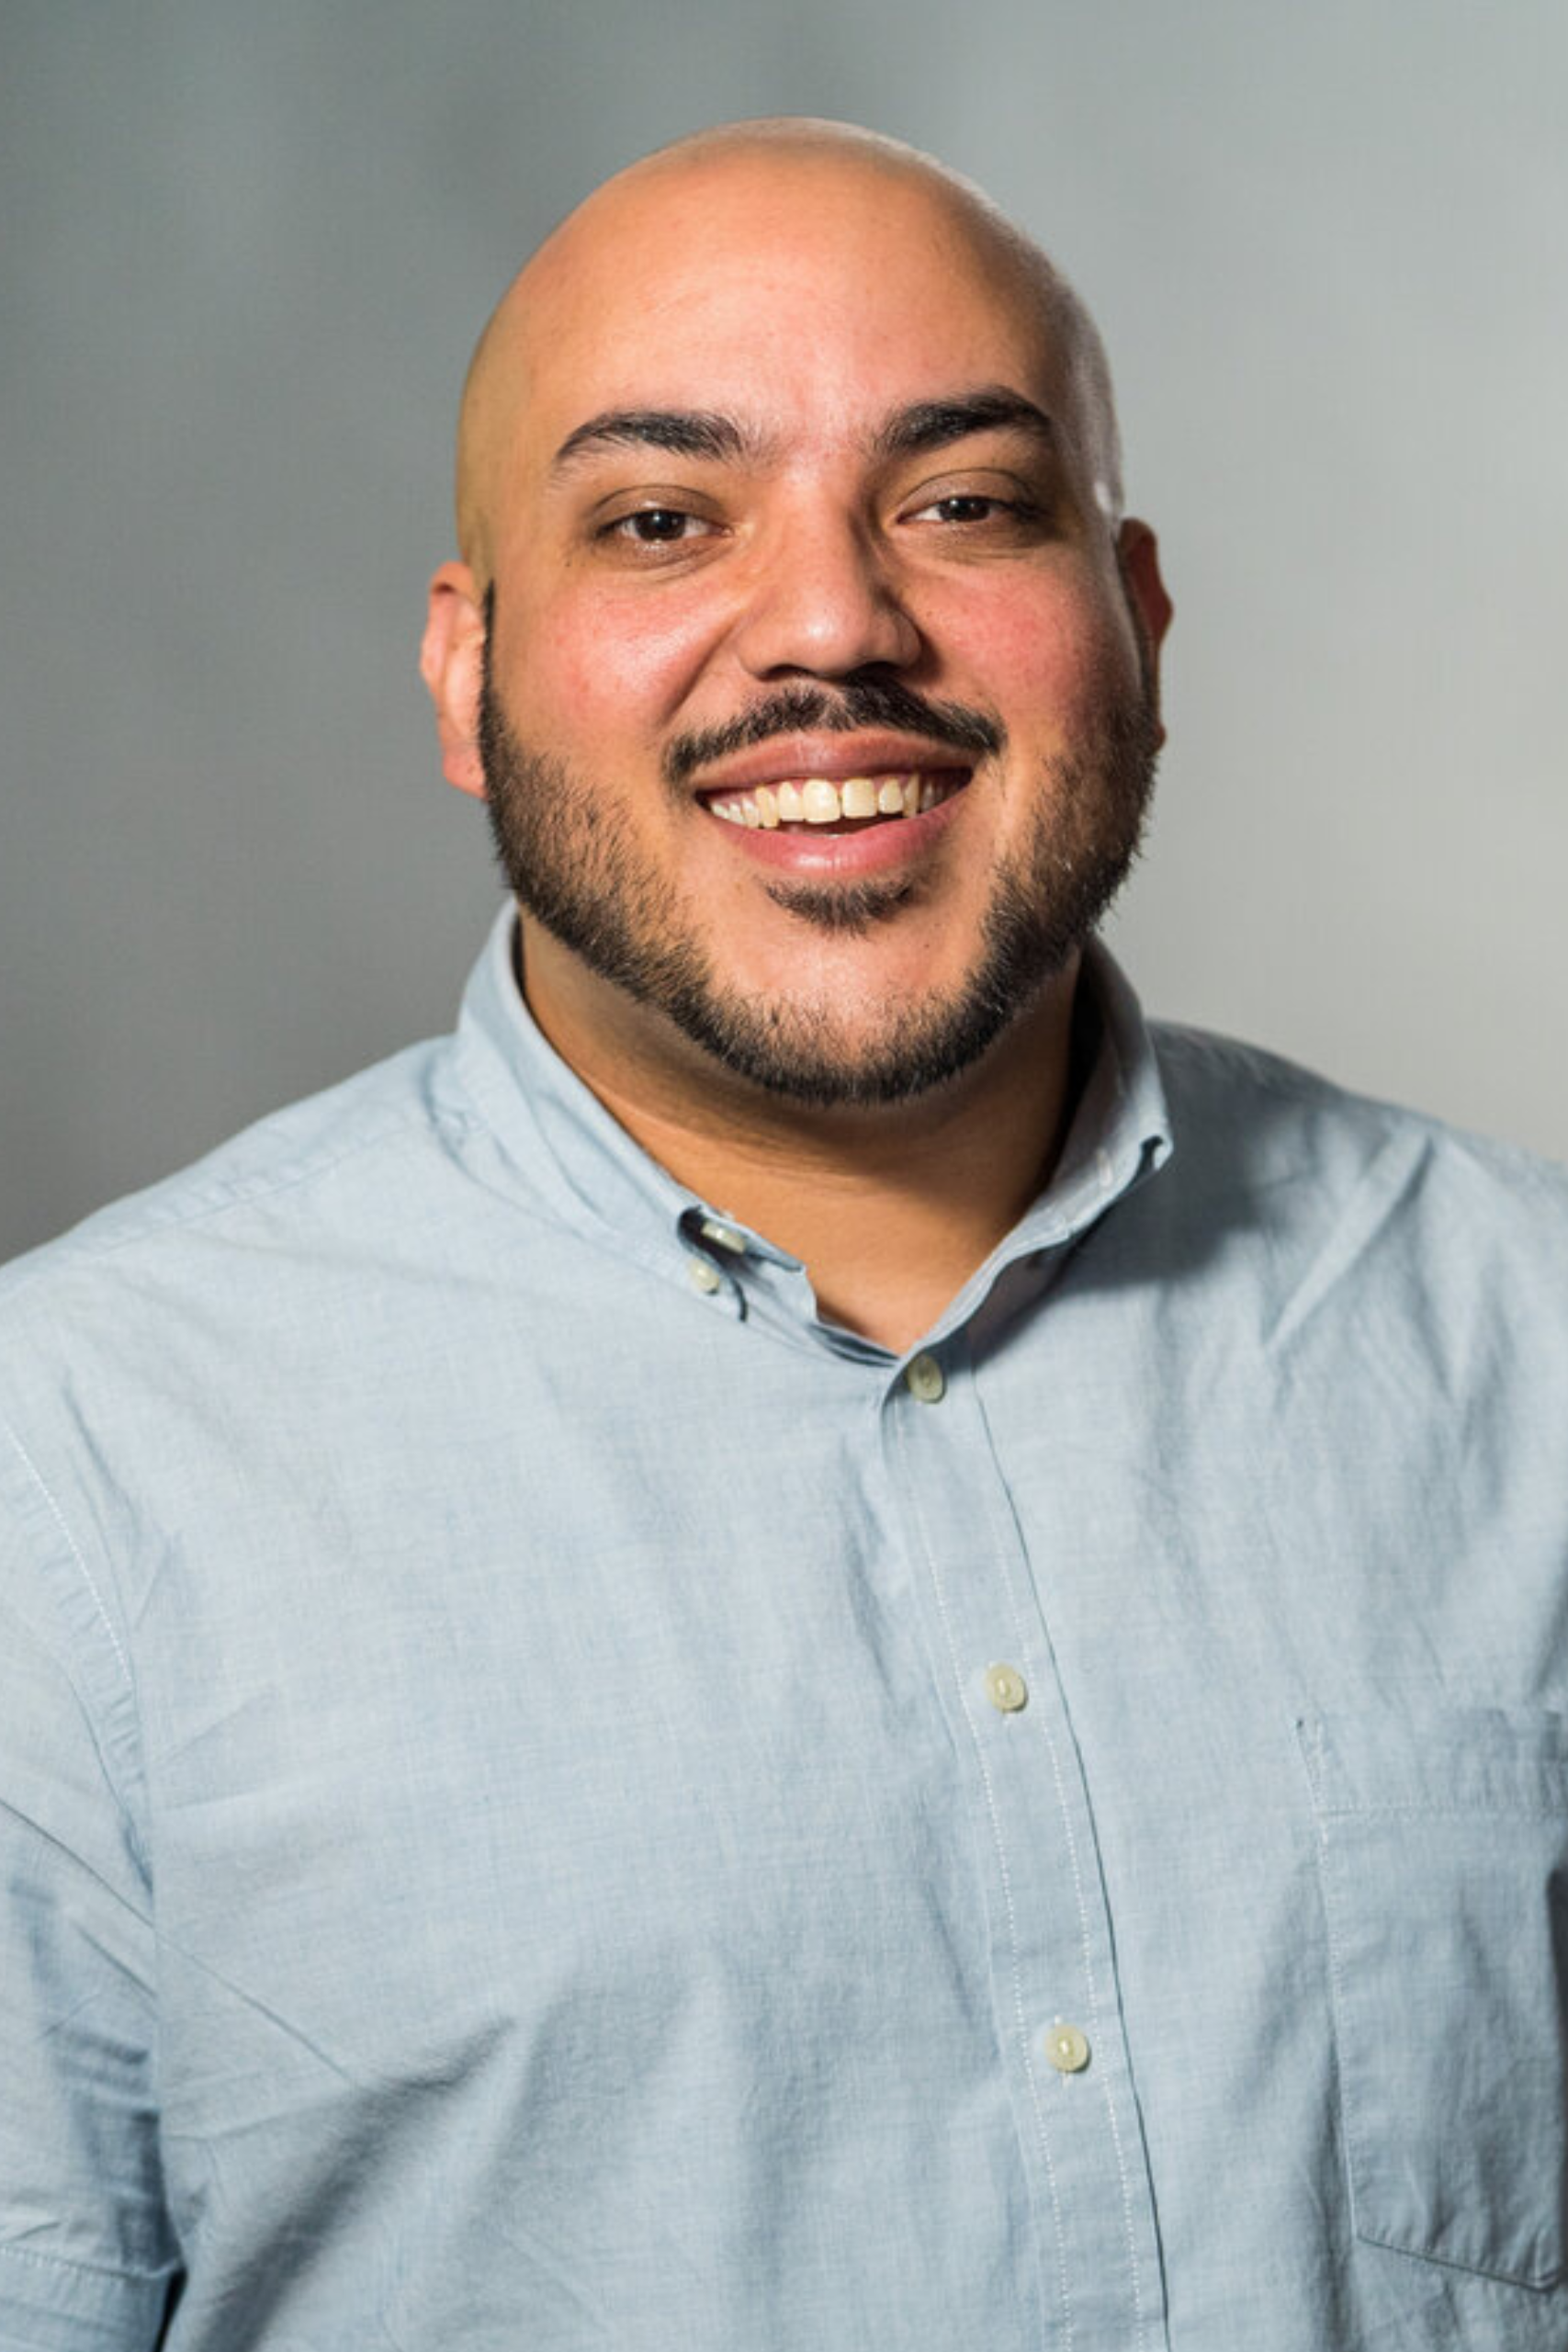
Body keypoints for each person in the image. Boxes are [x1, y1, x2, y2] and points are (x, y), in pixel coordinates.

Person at [2, 117, 1565, 2352]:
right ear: (467, 674)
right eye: (659, 519)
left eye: (961, 503)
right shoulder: (63, 1483)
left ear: (1130, 627)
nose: (833, 621)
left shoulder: (1531, 1343)